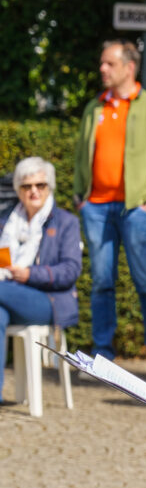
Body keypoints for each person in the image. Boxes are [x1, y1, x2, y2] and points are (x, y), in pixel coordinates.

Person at [73, 39, 146, 382]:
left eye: (109, 64)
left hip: (136, 210)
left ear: (129, 68)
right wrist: (79, 196)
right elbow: (80, 155)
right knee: (102, 283)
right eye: (102, 63)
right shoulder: (94, 108)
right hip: (96, 208)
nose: (102, 69)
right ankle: (102, 358)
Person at [0, 157, 82, 403]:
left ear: (50, 187)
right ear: (18, 190)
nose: (33, 190)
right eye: (27, 186)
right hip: (7, 293)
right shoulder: (5, 221)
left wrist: (29, 274)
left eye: (40, 185)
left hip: (48, 300)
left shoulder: (67, 222)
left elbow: (70, 270)